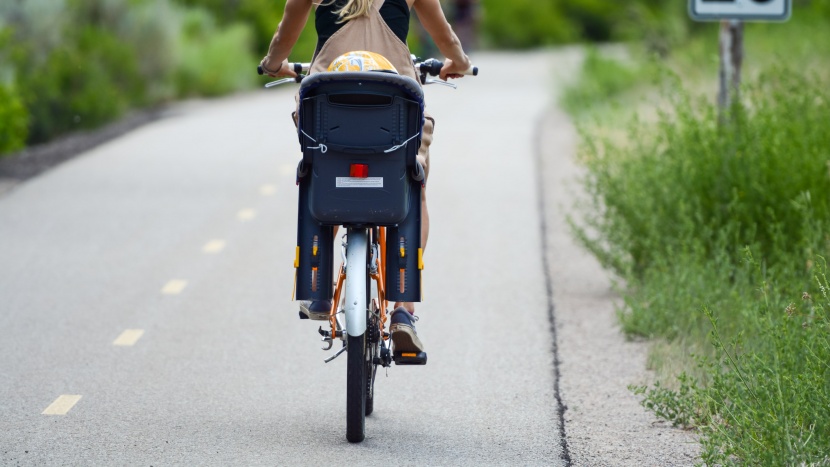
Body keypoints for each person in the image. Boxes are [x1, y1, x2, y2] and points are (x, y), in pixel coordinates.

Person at [260, 0, 471, 355]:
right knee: (413, 187)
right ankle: (403, 310)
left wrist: (272, 64)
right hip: (395, 118)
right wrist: (459, 63)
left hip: (328, 116)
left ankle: (318, 288)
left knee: (320, 171)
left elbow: (284, 35)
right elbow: (446, 38)